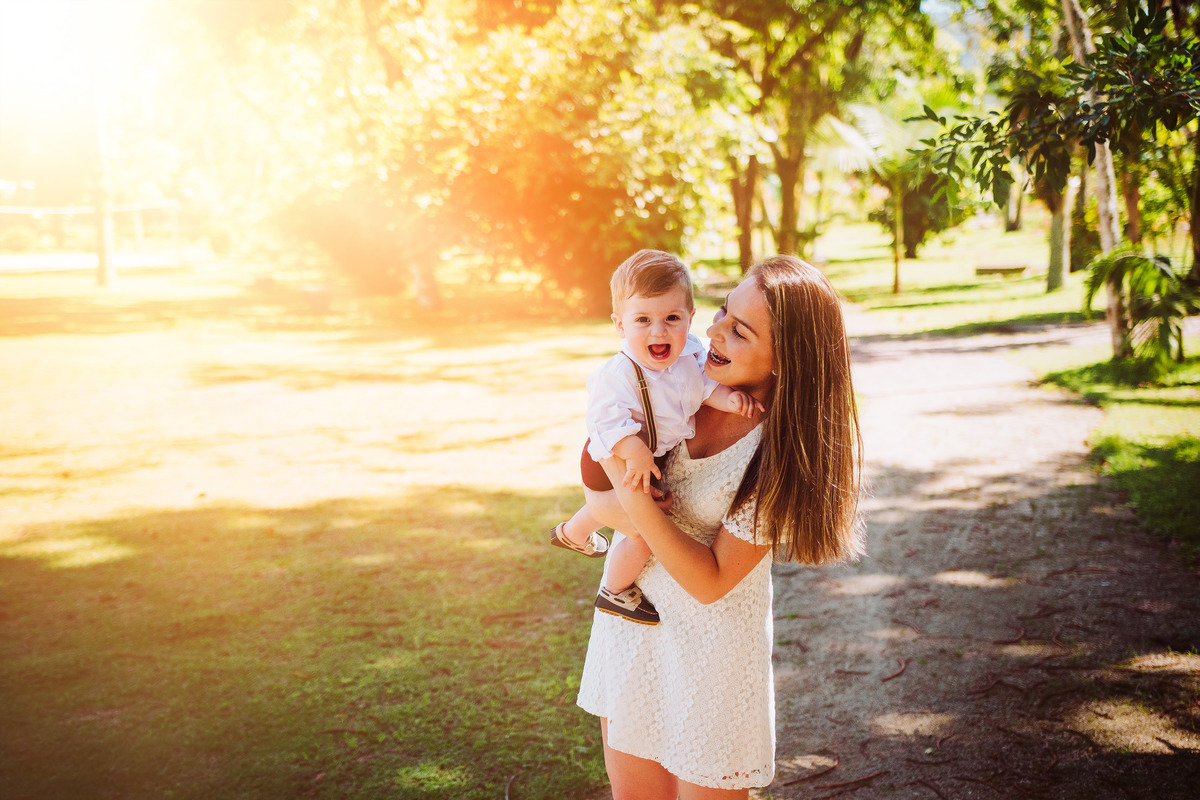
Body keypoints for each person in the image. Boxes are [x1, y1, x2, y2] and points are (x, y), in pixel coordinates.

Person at [575, 254, 864, 798]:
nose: (713, 332)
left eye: (740, 331)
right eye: (723, 312)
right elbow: (600, 460)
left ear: (786, 359)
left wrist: (631, 494)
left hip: (711, 661)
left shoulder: (781, 456)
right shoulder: (677, 384)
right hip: (634, 629)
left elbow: (710, 582)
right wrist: (607, 483)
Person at [551, 249, 760, 625]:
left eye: (672, 319)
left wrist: (728, 399)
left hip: (650, 453)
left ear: (690, 318)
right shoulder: (618, 374)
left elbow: (702, 388)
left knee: (616, 510)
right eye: (643, 320)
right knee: (642, 531)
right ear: (620, 325)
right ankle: (614, 591)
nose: (659, 331)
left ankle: (572, 533)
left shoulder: (689, 357)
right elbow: (605, 422)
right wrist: (633, 452)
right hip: (615, 453)